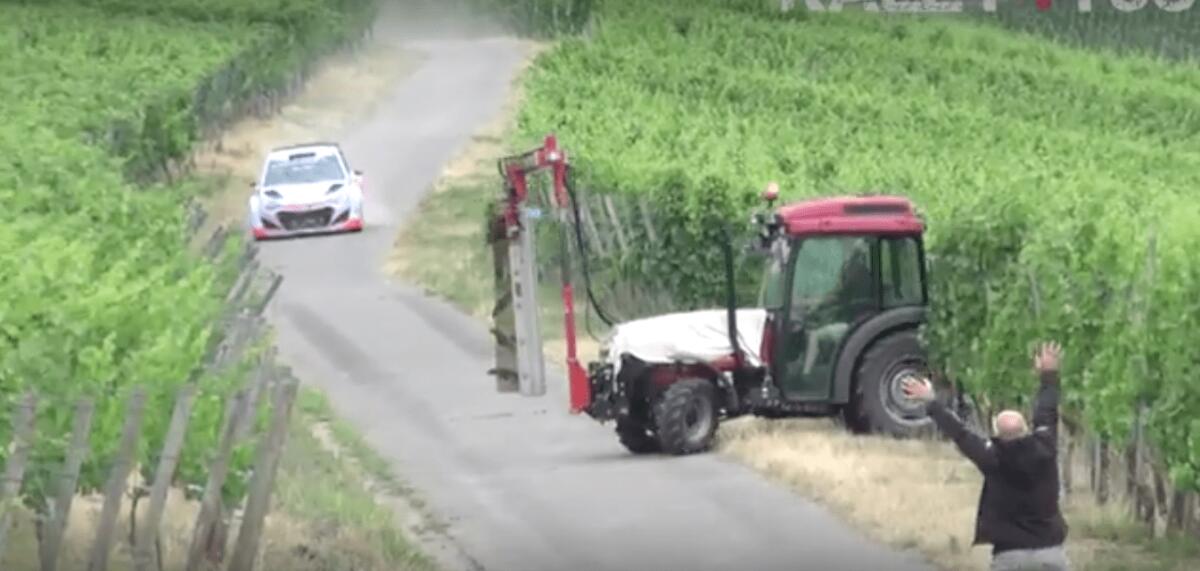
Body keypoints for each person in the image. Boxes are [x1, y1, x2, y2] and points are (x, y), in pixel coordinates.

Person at [901, 341, 1070, 571]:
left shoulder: (991, 456)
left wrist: (931, 402)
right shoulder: (1045, 447)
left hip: (1009, 556)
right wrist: (1049, 375)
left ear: (996, 433)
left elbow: (960, 433)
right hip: (1050, 552)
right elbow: (1047, 412)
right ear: (1026, 428)